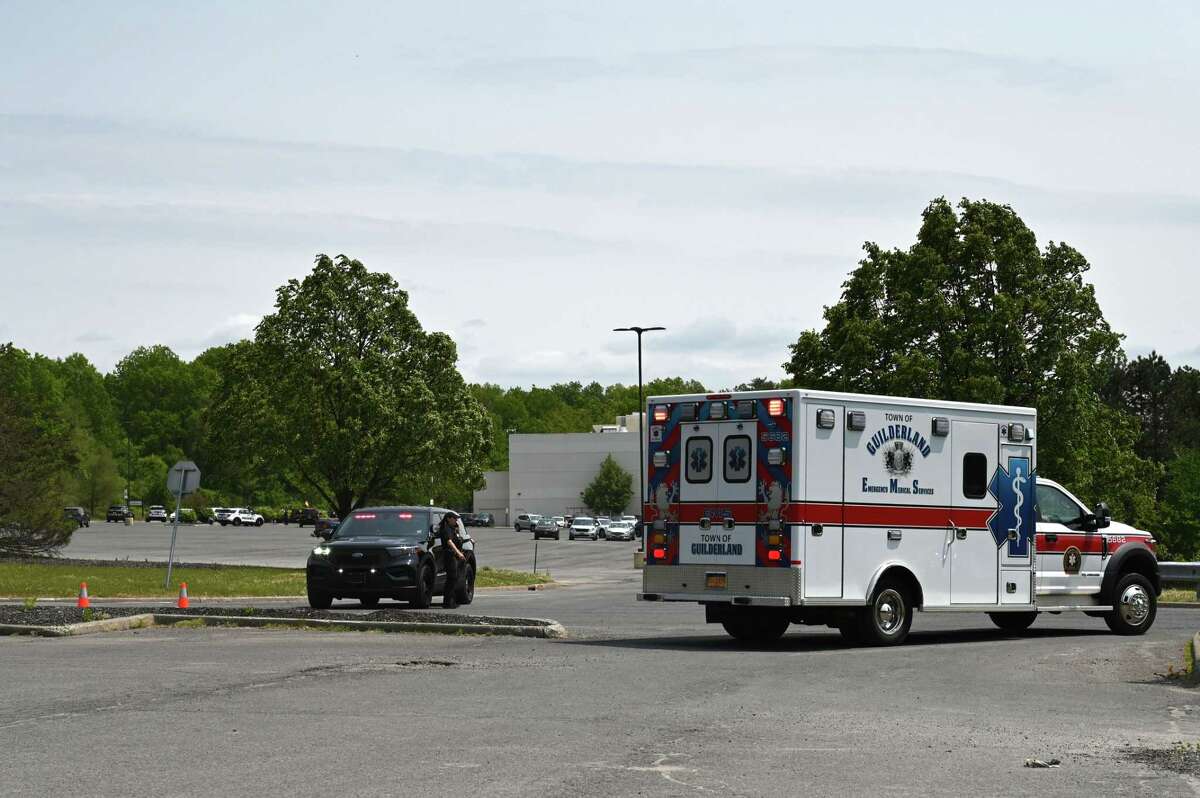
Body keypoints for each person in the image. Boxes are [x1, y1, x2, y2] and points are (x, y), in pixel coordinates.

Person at [439, 510, 467, 609]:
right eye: (454, 518)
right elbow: (449, 542)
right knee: (451, 578)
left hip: (454, 556)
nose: (456, 520)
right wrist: (458, 553)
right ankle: (447, 602)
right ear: (448, 519)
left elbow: (457, 540)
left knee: (454, 578)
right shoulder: (446, 529)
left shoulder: (452, 528)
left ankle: (451, 601)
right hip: (449, 556)